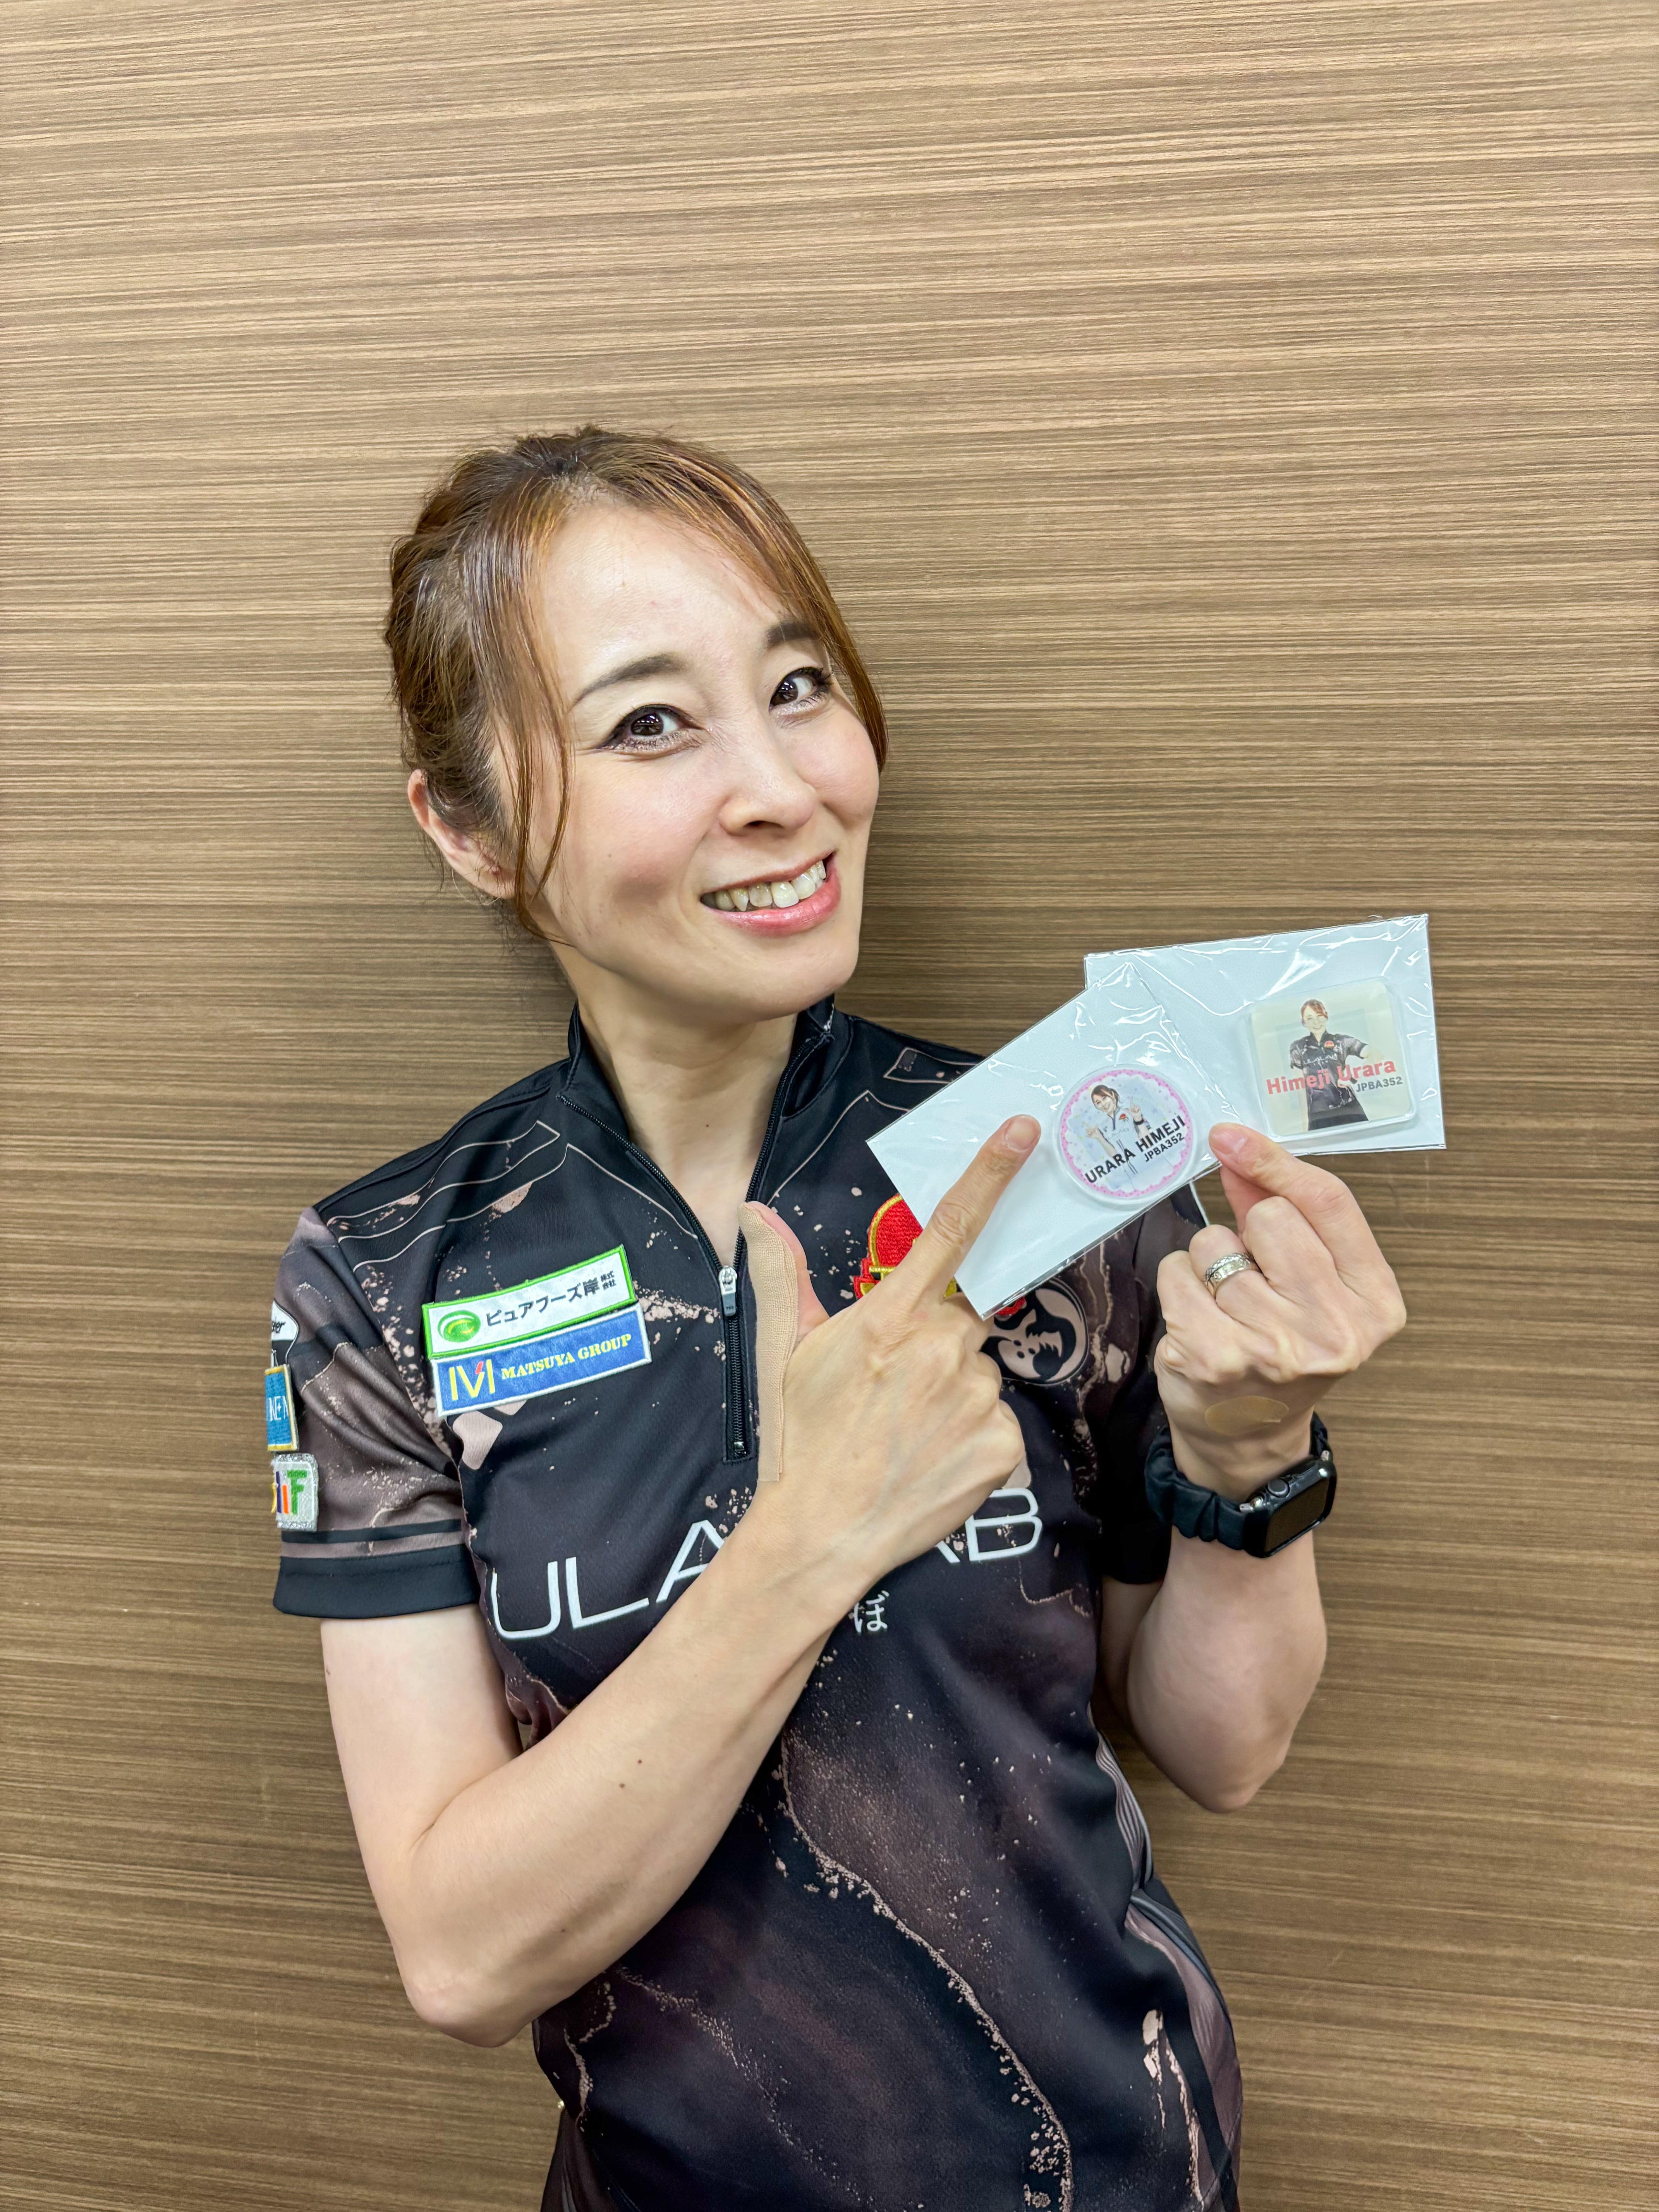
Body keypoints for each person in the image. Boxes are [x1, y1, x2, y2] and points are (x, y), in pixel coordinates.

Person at [266, 428, 1408, 2212]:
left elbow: (1222, 1748)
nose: (783, 787)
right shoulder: (380, 1273)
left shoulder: (1052, 1162)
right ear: (470, 829)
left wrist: (1252, 1455)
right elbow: (464, 1956)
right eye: (654, 722)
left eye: (799, 687)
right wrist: (816, 1538)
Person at [1288, 999, 1371, 1131]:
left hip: (1349, 1108)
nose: (1316, 1022)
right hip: (1320, 1116)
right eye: (1310, 1018)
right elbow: (1301, 1089)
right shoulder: (1298, 1048)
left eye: (1319, 1016)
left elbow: (1375, 1054)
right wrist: (1305, 1128)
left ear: (1326, 1017)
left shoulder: (1341, 1041)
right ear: (1304, 1022)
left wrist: (1355, 1076)